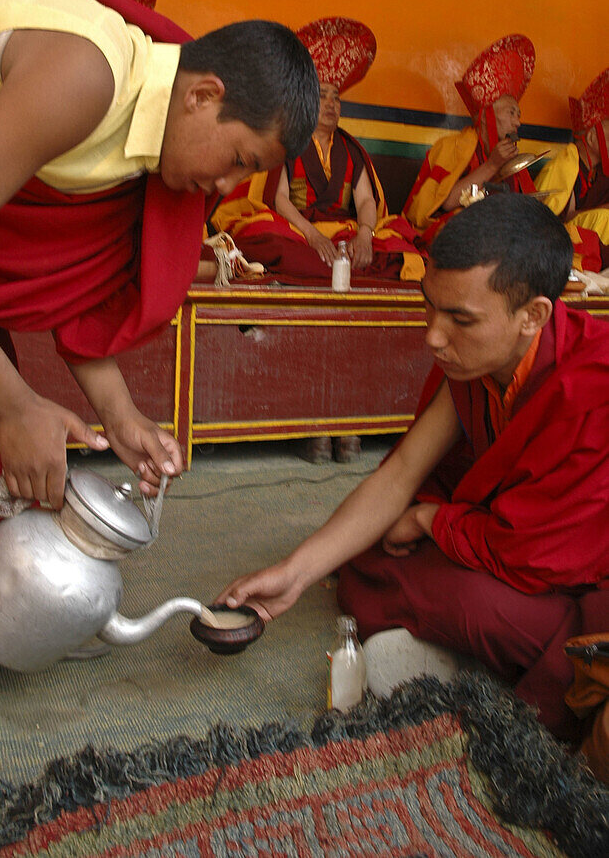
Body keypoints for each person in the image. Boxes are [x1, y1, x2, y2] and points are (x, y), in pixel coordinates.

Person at [0, 0, 319, 799]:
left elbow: (61, 282)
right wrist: (16, 405)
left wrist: (118, 416)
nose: (229, 190)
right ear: (202, 93)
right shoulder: (84, 78)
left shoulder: (143, 130)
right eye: (240, 161)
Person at [219, 194, 609, 746]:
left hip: (572, 583)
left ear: (534, 316)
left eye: (460, 319)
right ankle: (466, 656)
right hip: (506, 545)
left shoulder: (595, 384)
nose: (433, 336)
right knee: (367, 548)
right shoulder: (478, 364)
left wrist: (431, 521)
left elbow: (534, 555)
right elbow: (401, 471)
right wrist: (295, 573)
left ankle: (507, 676)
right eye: (431, 306)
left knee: (465, 600)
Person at [212, 16, 424, 289]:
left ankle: (331, 265)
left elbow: (365, 202)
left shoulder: (350, 149)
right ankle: (325, 266)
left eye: (336, 97)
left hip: (344, 233)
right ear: (306, 100)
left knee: (400, 245)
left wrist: (364, 235)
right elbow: (280, 200)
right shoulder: (288, 140)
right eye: (322, 95)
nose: (331, 104)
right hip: (299, 231)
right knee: (265, 237)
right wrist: (313, 237)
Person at [403, 34, 539, 245]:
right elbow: (447, 202)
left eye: (518, 115)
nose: (517, 123)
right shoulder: (454, 147)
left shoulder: (511, 157)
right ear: (487, 117)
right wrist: (493, 164)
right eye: (511, 113)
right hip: (456, 232)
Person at [534, 67, 609, 272]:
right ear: (593, 138)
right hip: (556, 242)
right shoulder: (566, 163)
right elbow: (547, 219)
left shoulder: (599, 173)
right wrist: (599, 212)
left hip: (586, 241)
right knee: (604, 218)